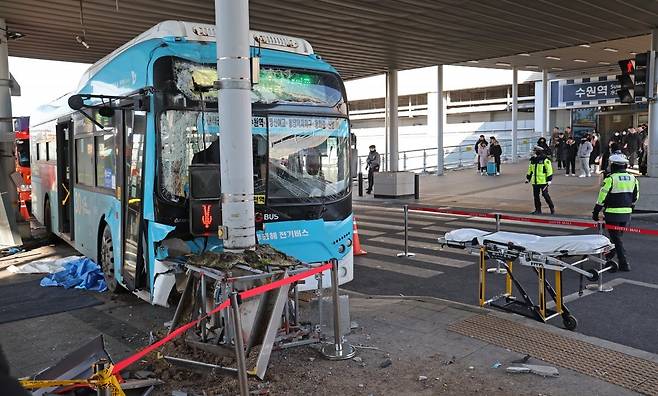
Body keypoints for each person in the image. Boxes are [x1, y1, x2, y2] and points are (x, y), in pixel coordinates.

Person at [592, 153, 639, 272]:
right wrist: (630, 207)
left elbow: (601, 197)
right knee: (617, 237)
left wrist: (596, 212)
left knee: (616, 239)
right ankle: (609, 255)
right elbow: (635, 196)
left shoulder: (610, 179)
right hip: (626, 214)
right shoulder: (633, 178)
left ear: (613, 165)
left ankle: (624, 263)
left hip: (612, 214)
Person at [526, 145, 555, 215]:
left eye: (534, 151)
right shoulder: (533, 160)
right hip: (535, 181)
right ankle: (538, 210)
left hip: (543, 181)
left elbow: (549, 170)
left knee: (545, 195)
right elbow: (530, 170)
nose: (533, 152)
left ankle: (552, 208)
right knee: (536, 196)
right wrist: (528, 178)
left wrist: (549, 179)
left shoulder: (545, 159)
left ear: (538, 151)